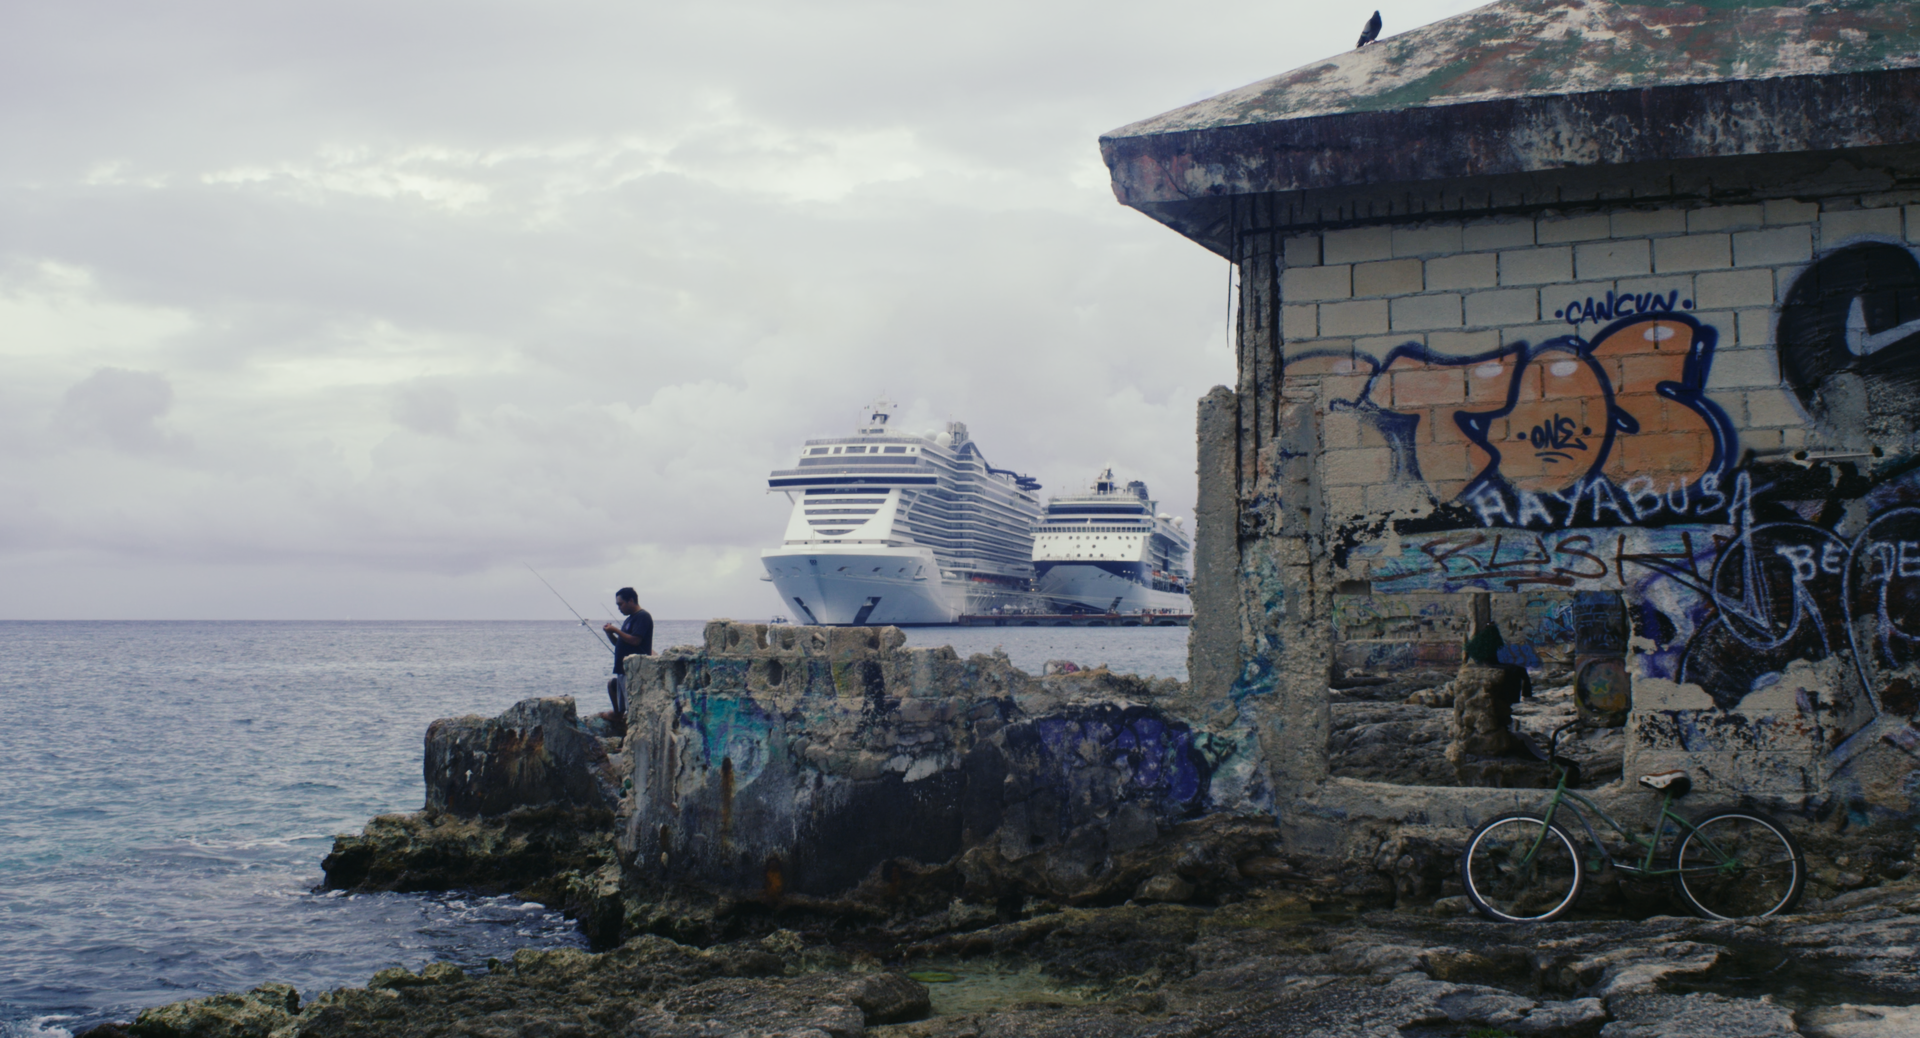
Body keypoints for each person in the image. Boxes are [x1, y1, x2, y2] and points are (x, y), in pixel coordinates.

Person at [602, 588, 653, 717]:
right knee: (612, 686)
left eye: (620, 604)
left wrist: (616, 630)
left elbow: (635, 641)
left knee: (633, 708)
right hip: (622, 669)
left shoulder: (643, 617)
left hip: (634, 670)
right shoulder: (629, 619)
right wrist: (610, 633)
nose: (619, 608)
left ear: (631, 600)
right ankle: (619, 716)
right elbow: (619, 643)